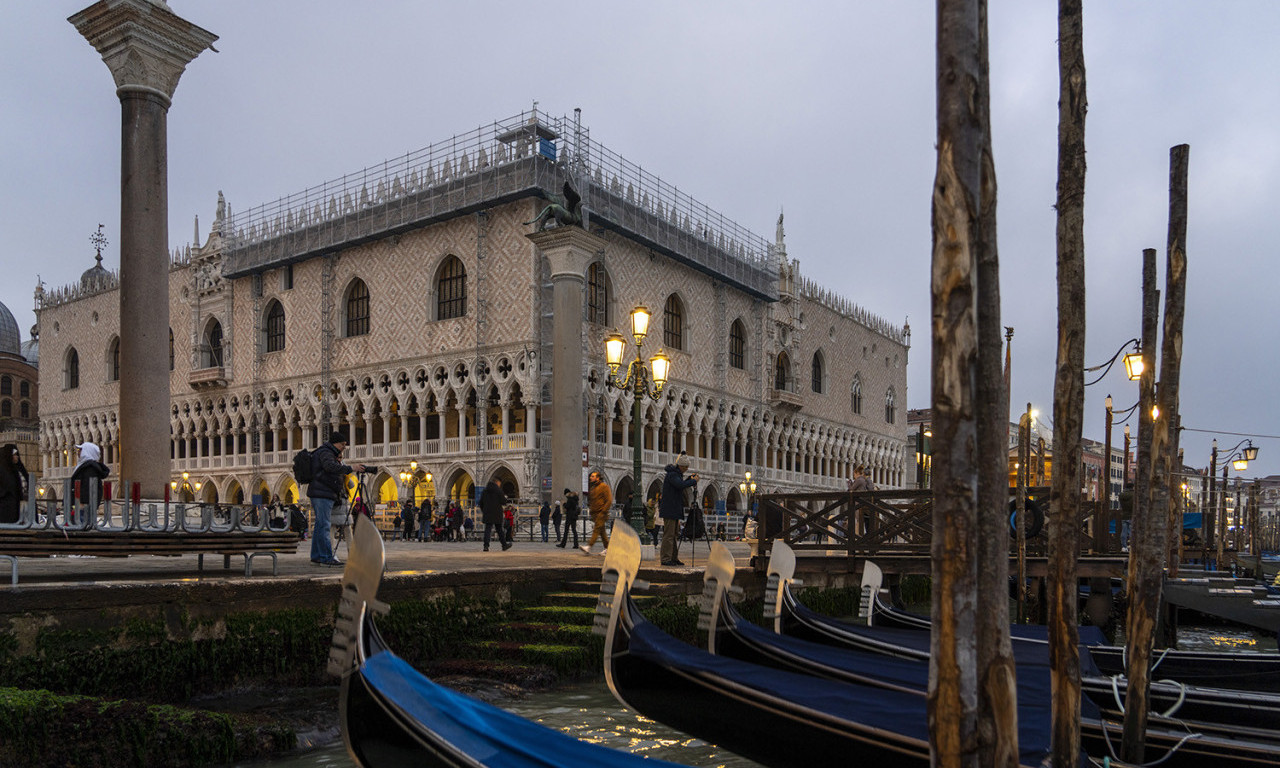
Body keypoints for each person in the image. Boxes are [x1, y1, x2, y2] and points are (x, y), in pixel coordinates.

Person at [305, 430, 365, 567]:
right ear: (336, 443)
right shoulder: (326, 452)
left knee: (321, 525)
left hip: (321, 493)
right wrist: (350, 468)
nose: (344, 447)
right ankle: (326, 557)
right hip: (322, 493)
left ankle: (316, 556)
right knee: (325, 525)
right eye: (343, 444)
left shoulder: (326, 452)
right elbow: (329, 467)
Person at [660, 453, 698, 566]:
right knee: (669, 535)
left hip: (674, 509)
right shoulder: (672, 475)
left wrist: (689, 479)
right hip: (670, 509)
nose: (686, 469)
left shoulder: (676, 474)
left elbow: (680, 483)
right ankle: (666, 558)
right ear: (681, 466)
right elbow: (680, 485)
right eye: (685, 467)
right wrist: (693, 481)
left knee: (674, 534)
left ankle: (673, 558)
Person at [70, 441, 111, 527]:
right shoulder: (85, 466)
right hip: (80, 506)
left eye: (81, 450)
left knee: (81, 529)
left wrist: (80, 504)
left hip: (82, 508)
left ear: (87, 452)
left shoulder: (90, 469)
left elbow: (87, 489)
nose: (78, 452)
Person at [581, 471, 613, 555]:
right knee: (602, 532)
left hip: (601, 513)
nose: (590, 477)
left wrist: (604, 511)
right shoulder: (593, 488)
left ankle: (589, 546)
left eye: (593, 476)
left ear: (598, 478)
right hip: (595, 513)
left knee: (596, 529)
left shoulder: (604, 487)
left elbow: (609, 500)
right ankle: (608, 548)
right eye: (591, 476)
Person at [0, 444, 29, 525]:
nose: (17, 457)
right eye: (14, 455)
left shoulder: (20, 470)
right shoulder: (3, 471)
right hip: (8, 508)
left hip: (23, 506)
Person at [480, 479, 511, 552]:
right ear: (497, 483)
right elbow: (503, 502)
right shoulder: (498, 491)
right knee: (499, 529)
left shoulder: (485, 491)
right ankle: (504, 545)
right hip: (497, 513)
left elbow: (481, 502)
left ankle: (486, 546)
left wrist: (484, 510)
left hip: (487, 513)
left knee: (487, 529)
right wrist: (505, 498)